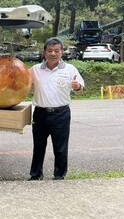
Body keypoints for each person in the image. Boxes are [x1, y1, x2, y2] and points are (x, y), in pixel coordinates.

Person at [29, 37, 84, 180]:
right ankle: (35, 175)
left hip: (61, 114)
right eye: (50, 50)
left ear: (62, 52)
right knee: (38, 146)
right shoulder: (35, 70)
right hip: (40, 113)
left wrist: (77, 86)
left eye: (56, 51)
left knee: (60, 147)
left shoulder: (70, 69)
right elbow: (21, 82)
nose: (53, 53)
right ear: (44, 52)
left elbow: (81, 88)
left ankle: (59, 176)